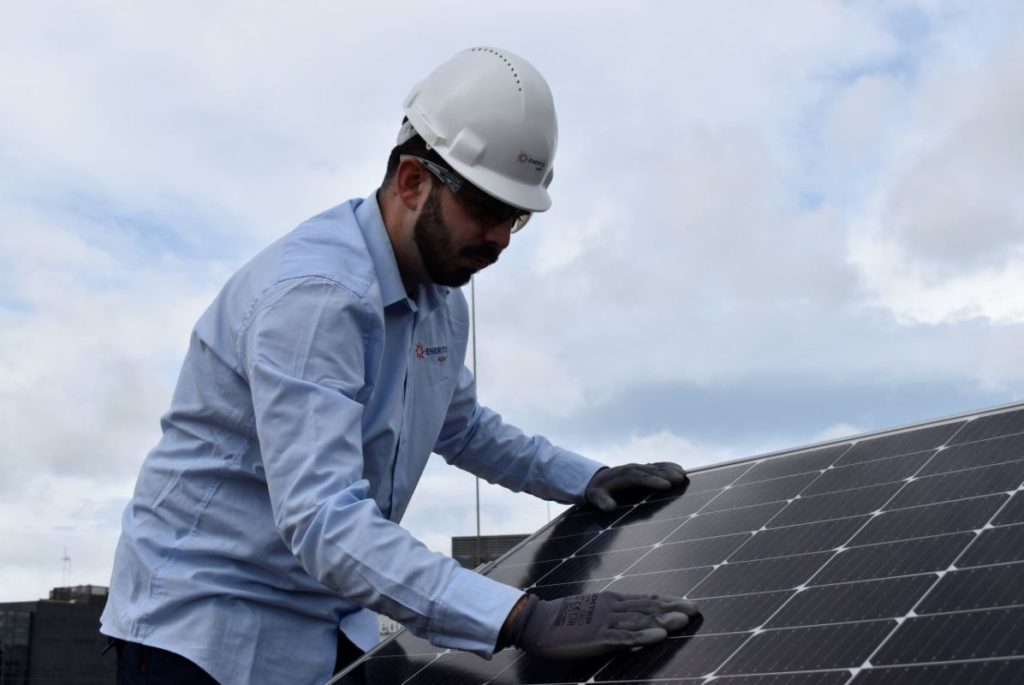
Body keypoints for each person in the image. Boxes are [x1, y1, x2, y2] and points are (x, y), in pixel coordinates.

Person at [100, 46, 699, 685]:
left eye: (516, 218)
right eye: (487, 209)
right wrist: (519, 617)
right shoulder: (316, 296)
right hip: (205, 633)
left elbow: (463, 427)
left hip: (325, 617)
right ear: (413, 181)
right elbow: (324, 519)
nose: (500, 238)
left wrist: (587, 478)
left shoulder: (439, 299)